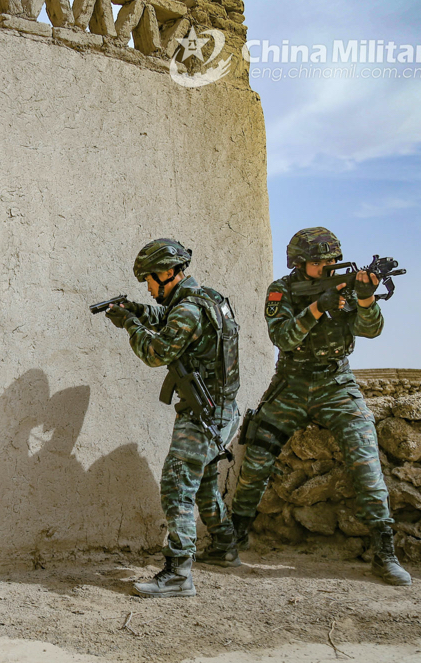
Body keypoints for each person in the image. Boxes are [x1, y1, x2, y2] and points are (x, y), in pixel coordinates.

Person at [230, 227, 411, 586]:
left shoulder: (345, 285)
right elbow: (283, 337)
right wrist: (317, 308)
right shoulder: (281, 290)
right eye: (318, 263)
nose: (327, 267)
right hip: (291, 382)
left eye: (331, 261)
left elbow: (370, 330)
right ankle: (234, 536)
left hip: (336, 383)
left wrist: (365, 299)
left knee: (365, 455)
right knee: (257, 455)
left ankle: (384, 551)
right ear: (298, 264)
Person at [104, 238, 242, 598]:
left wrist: (129, 325)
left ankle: (179, 573)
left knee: (177, 485)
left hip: (202, 414)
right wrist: (134, 309)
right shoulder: (208, 298)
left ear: (168, 273)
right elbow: (167, 318)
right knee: (206, 481)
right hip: (223, 411)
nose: (148, 289)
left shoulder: (188, 310)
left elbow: (156, 351)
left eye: (149, 281)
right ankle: (226, 545)